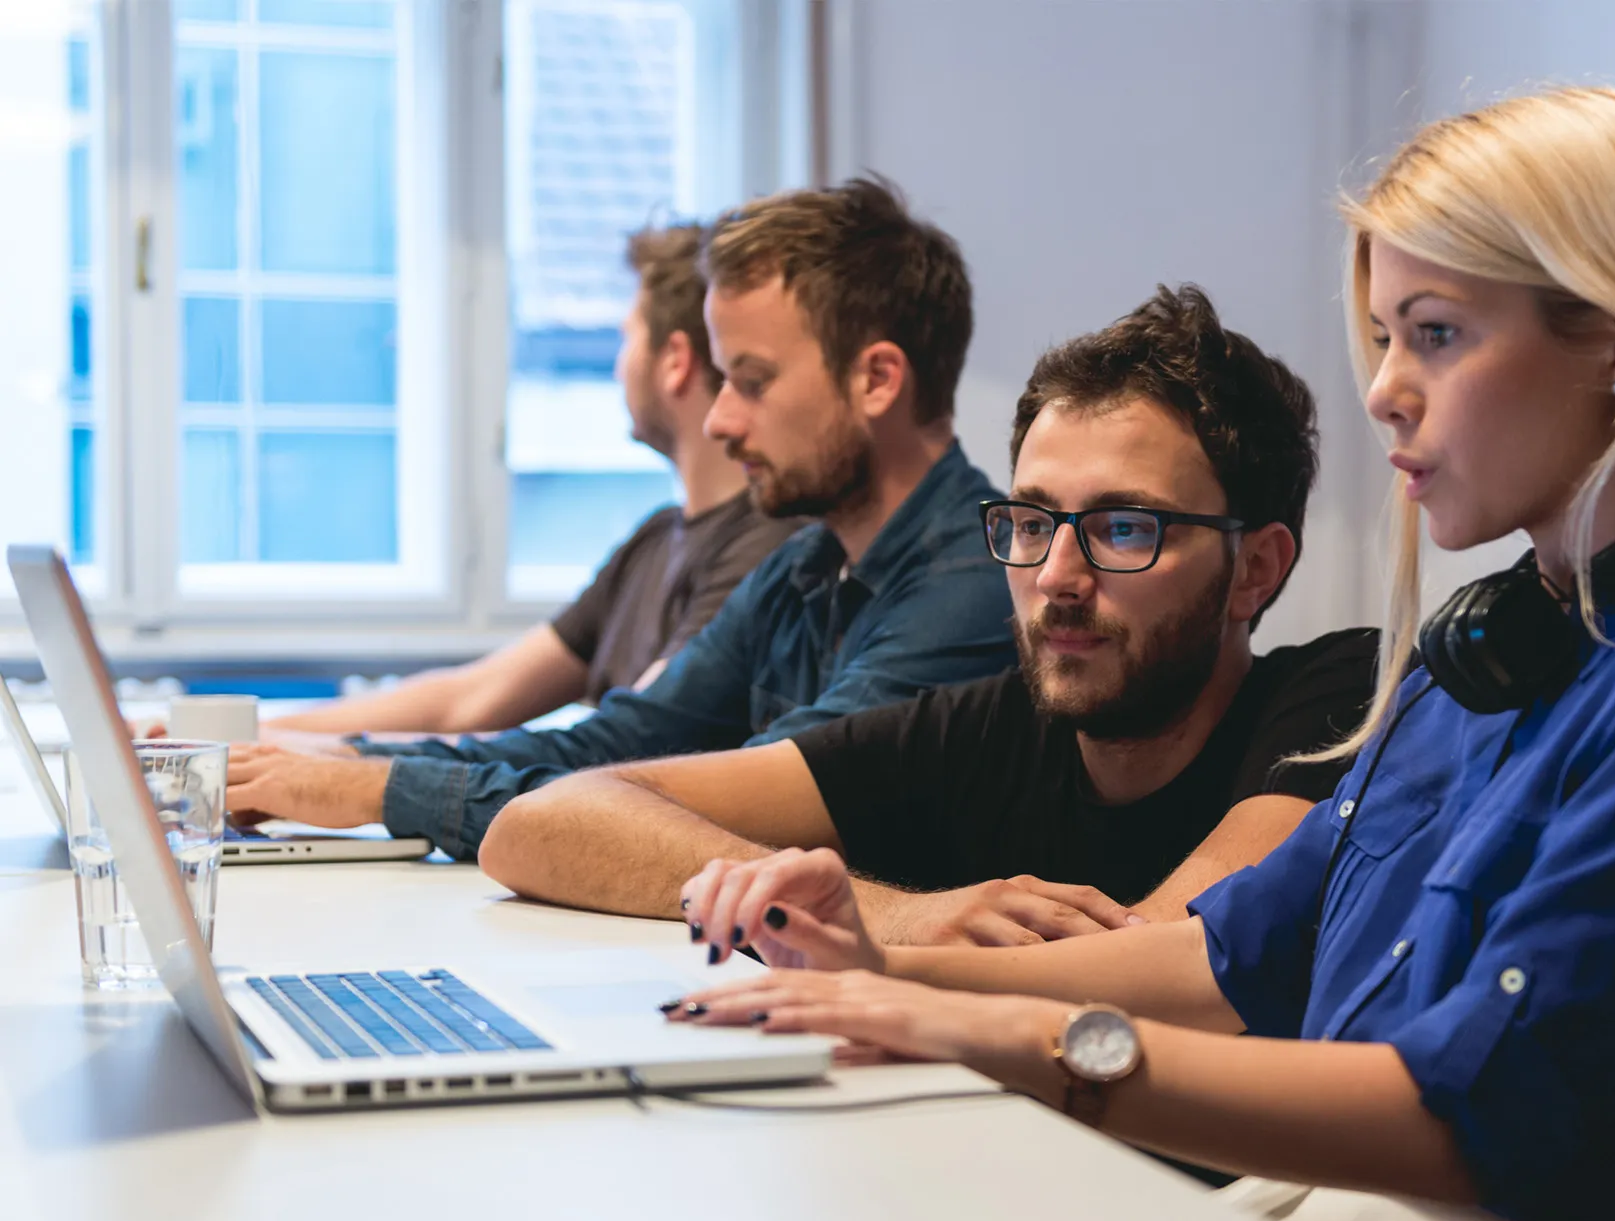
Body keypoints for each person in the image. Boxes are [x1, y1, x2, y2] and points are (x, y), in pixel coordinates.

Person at [664, 87, 1615, 1221]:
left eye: (1435, 334)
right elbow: (1223, 960)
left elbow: (1466, 1113)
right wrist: (886, 973)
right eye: (1384, 335)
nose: (1384, 391)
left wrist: (1010, 1037)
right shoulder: (1498, 648)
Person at [477, 286, 1380, 947]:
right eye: (1031, 523)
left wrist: (864, 951)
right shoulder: (985, 731)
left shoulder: (1338, 701)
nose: (1057, 576)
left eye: (1123, 527)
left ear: (1253, 569)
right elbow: (543, 821)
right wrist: (898, 911)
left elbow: (1154, 958)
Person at [224, 178, 1015, 860]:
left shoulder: (975, 587)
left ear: (877, 379)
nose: (720, 420)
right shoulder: (805, 565)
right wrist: (344, 766)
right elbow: (614, 741)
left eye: (752, 380)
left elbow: (713, 798)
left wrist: (386, 786)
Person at [269, 225, 801, 739]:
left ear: (675, 363)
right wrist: (262, 737)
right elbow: (471, 698)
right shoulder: (655, 541)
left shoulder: (764, 547)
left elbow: (619, 743)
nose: (619, 366)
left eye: (626, 337)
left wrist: (333, 766)